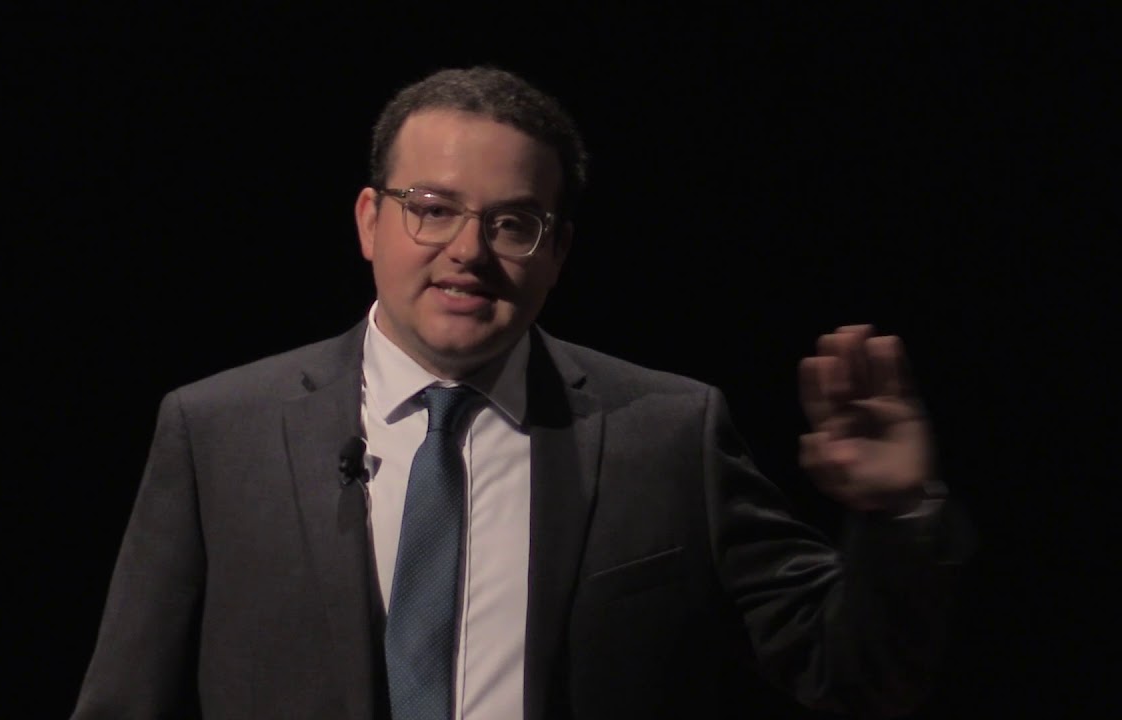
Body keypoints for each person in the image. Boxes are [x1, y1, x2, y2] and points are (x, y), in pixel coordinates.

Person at [70, 66, 971, 720]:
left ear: (557, 252)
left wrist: (897, 514)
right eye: (432, 208)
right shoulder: (217, 431)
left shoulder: (668, 431)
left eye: (513, 223)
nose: (468, 251)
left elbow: (850, 674)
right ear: (370, 221)